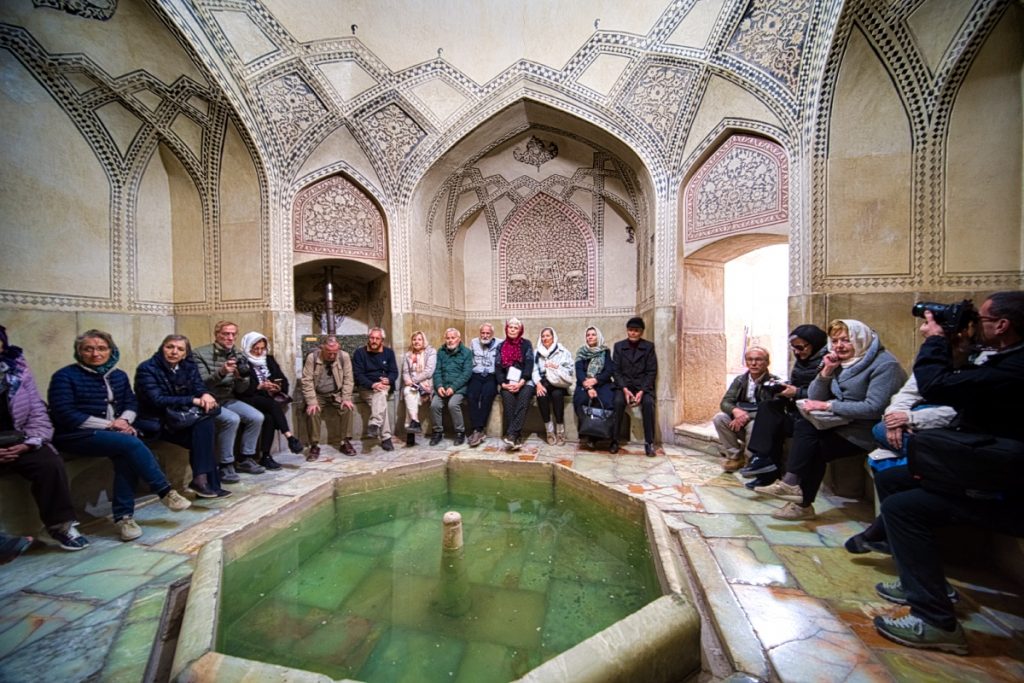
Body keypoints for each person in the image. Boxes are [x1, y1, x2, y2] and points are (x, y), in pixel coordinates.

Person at [871, 292, 1024, 655]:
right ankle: (924, 582)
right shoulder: (1002, 357)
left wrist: (937, 341)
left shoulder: (1016, 368)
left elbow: (938, 386)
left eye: (983, 321)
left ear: (1002, 326)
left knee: (902, 508)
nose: (974, 327)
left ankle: (935, 620)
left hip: (1008, 484)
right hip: (988, 464)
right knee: (893, 478)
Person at [754, 319, 906, 520]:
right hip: (839, 424)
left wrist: (828, 406)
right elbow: (815, 396)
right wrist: (826, 372)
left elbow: (874, 408)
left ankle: (800, 501)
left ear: (861, 339)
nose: (839, 346)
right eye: (835, 341)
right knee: (804, 426)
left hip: (865, 430)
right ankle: (793, 489)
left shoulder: (885, 365)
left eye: (846, 340)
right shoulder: (839, 362)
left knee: (813, 446)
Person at [49, 330, 191, 542]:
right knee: (129, 444)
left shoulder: (117, 375)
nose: (96, 353)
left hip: (116, 433)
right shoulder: (65, 376)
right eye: (88, 349)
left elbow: (131, 403)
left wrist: (124, 421)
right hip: (76, 434)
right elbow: (65, 413)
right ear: (79, 352)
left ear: (110, 351)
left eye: (101, 348)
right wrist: (110, 424)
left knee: (126, 452)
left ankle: (125, 518)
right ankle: (164, 491)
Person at [0, 325, 88, 552]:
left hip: (18, 439)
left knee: (49, 463)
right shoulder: (65, 376)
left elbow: (37, 411)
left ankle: (60, 525)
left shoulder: (17, 371)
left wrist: (29, 442)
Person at [134, 335, 228, 498]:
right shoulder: (147, 368)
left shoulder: (187, 366)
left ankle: (202, 481)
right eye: (170, 347)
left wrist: (206, 394)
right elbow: (156, 400)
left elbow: (198, 386)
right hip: (157, 420)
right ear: (162, 348)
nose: (174, 352)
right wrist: (193, 400)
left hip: (180, 418)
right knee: (203, 435)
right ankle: (207, 483)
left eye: (180, 349)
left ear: (185, 354)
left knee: (205, 425)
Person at [740, 325, 829, 489]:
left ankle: (767, 468)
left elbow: (826, 394)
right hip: (796, 409)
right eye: (793, 348)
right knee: (768, 408)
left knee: (773, 423)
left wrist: (797, 392)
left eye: (800, 347)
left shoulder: (827, 362)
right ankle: (763, 464)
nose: (797, 352)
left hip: (814, 414)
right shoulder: (802, 362)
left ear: (815, 343)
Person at [192, 321, 265, 482]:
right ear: (217, 334)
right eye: (226, 334)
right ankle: (225, 464)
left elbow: (240, 390)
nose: (230, 338)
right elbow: (201, 384)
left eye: (233, 334)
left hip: (227, 398)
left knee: (256, 417)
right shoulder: (199, 353)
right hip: (207, 399)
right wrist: (222, 372)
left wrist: (242, 378)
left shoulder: (237, 354)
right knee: (231, 419)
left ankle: (246, 458)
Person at [233, 332, 303, 469]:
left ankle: (266, 456)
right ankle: (289, 436)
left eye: (262, 348)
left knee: (270, 418)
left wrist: (276, 387)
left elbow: (283, 380)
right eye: (256, 349)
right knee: (271, 405)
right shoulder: (242, 362)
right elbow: (239, 388)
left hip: (266, 398)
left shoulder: (269, 360)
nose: (259, 352)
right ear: (248, 347)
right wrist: (259, 386)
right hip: (249, 398)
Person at [712, 346, 779, 472]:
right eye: (750, 359)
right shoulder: (740, 380)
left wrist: (746, 416)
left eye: (758, 360)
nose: (753, 363)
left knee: (754, 425)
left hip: (758, 420)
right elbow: (725, 402)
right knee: (719, 418)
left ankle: (750, 459)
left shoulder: (773, 382)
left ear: (767, 362)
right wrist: (735, 411)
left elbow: (771, 408)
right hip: (740, 416)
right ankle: (735, 456)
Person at [300, 336, 356, 458]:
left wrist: (346, 398)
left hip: (336, 393)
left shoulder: (343, 357)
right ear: (322, 349)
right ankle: (314, 445)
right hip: (318, 394)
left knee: (348, 408)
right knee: (313, 411)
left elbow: (348, 379)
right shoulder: (313, 358)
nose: (331, 356)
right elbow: (307, 381)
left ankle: (345, 441)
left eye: (334, 353)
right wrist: (312, 401)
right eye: (329, 353)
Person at [611, 317, 658, 456]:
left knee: (649, 404)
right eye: (630, 330)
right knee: (618, 402)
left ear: (641, 332)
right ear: (627, 331)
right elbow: (616, 371)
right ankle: (614, 440)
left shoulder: (648, 347)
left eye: (636, 331)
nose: (633, 333)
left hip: (642, 386)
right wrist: (625, 389)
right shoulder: (619, 346)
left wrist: (642, 391)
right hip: (623, 385)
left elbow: (651, 371)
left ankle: (649, 442)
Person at [352, 327, 398, 452]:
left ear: (382, 340)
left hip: (384, 386)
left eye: (377, 338)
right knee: (381, 399)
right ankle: (386, 437)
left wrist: (389, 379)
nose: (374, 341)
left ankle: (375, 424)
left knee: (382, 392)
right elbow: (358, 375)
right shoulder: (359, 353)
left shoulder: (389, 353)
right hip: (366, 388)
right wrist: (373, 385)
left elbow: (394, 372)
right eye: (372, 338)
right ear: (368, 338)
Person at [573, 326, 616, 450]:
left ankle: (604, 435)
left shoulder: (605, 351)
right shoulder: (581, 352)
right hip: (584, 383)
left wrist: (596, 380)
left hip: (602, 382)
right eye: (588, 335)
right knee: (580, 400)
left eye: (593, 334)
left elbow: (609, 370)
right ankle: (588, 434)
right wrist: (588, 386)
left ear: (598, 336)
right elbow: (579, 371)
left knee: (607, 400)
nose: (590, 337)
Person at [430, 328, 473, 446]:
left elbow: (466, 374)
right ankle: (437, 432)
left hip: (459, 388)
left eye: (453, 338)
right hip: (442, 387)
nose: (450, 340)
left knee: (453, 404)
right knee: (434, 404)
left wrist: (453, 388)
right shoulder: (441, 352)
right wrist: (439, 386)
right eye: (448, 338)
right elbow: (437, 371)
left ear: (459, 339)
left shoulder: (467, 352)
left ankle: (460, 432)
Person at [496, 318, 535, 450]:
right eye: (510, 327)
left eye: (515, 328)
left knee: (523, 399)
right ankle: (516, 436)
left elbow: (529, 365)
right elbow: (498, 368)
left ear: (520, 330)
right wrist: (503, 384)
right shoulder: (500, 346)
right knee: (507, 399)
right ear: (506, 329)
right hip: (507, 383)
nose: (512, 329)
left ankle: (511, 433)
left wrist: (521, 382)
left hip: (525, 381)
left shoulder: (526, 344)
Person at [532, 327, 575, 445]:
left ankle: (560, 430)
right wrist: (538, 384)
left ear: (553, 337)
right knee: (541, 395)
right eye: (543, 336)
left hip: (558, 383)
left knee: (557, 395)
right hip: (543, 382)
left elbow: (570, 369)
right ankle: (549, 430)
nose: (545, 338)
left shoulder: (562, 351)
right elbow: (534, 370)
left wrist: (557, 367)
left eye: (548, 336)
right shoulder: (537, 353)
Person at [466, 323, 499, 447]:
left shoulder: (499, 343)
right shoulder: (474, 342)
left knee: (487, 395)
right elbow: (470, 360)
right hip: (477, 374)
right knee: (471, 395)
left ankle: (478, 430)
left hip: (491, 376)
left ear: (492, 334)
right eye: (483, 333)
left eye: (488, 333)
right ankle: (478, 430)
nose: (485, 336)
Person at [400, 331, 436, 445]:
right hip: (412, 386)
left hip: (426, 385)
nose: (416, 342)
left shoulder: (431, 352)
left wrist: (413, 381)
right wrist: (407, 380)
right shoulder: (408, 355)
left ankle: (410, 432)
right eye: (414, 339)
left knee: (409, 396)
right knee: (409, 393)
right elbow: (405, 372)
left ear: (424, 340)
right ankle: (415, 421)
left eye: (419, 339)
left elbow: (429, 372)